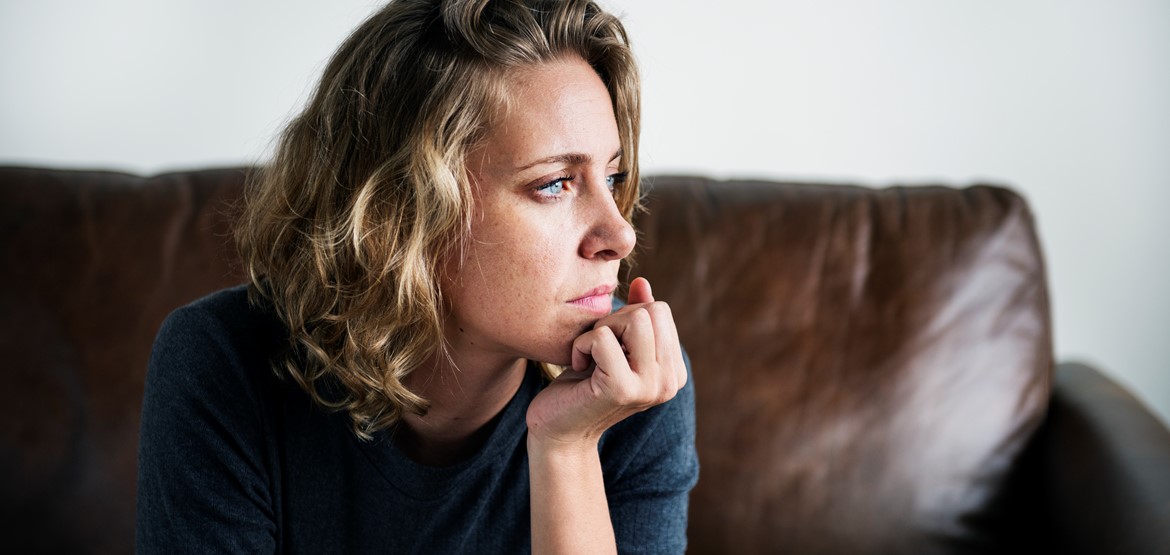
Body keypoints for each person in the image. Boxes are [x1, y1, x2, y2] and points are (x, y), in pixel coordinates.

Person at [136, 0, 698, 552]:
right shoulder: (221, 363)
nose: (621, 234)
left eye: (615, 174)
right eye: (554, 183)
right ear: (404, 211)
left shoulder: (634, 388)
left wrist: (567, 447)